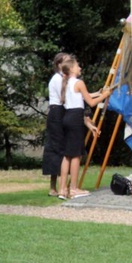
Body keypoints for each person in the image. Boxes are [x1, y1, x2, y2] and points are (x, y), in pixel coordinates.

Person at [58, 57, 108, 200]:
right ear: (72, 69)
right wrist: (104, 95)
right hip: (75, 120)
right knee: (76, 155)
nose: (80, 68)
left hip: (67, 117)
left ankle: (62, 189)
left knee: (67, 155)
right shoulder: (79, 83)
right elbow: (91, 103)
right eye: (78, 66)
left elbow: (83, 97)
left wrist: (99, 93)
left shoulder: (67, 83)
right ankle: (73, 189)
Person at [42, 52, 71, 196]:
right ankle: (54, 186)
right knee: (56, 147)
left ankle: (62, 185)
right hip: (57, 112)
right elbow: (64, 97)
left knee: (63, 147)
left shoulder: (65, 78)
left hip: (61, 111)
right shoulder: (57, 79)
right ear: (59, 64)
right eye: (66, 61)